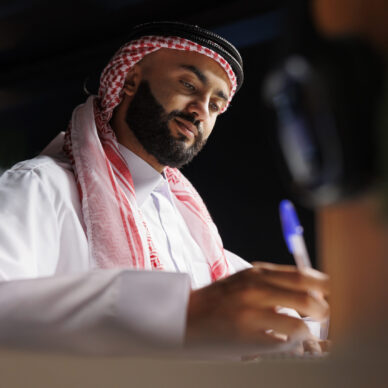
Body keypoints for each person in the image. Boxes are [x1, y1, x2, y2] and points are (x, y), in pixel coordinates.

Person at [0, 21, 329, 358]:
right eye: (188, 84)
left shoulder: (190, 229)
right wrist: (174, 316)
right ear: (129, 80)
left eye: (215, 105)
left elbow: (261, 309)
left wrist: (314, 334)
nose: (201, 110)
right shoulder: (41, 187)